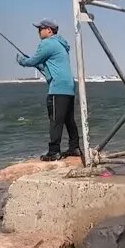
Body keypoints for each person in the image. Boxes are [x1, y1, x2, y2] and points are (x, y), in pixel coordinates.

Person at [16, 19, 81, 162]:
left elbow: (33, 61)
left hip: (57, 88)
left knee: (55, 119)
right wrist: (35, 63)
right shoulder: (61, 45)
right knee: (69, 119)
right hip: (68, 87)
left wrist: (22, 61)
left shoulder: (47, 43)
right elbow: (48, 66)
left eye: (40, 28)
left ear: (49, 31)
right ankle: (74, 147)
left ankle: (54, 152)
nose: (38, 31)